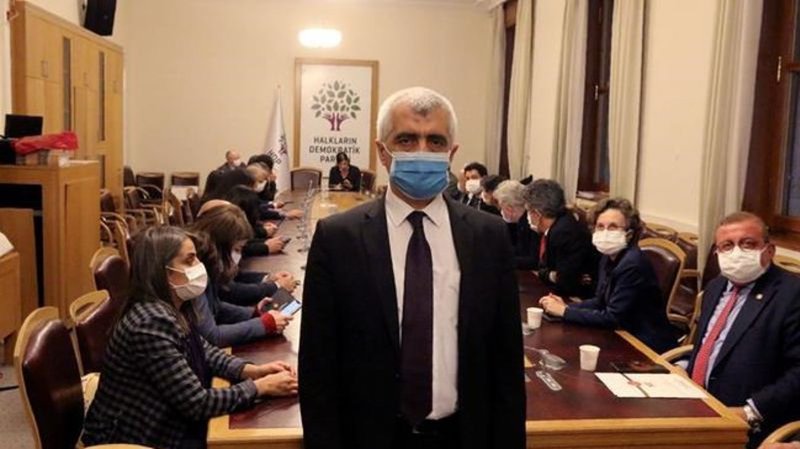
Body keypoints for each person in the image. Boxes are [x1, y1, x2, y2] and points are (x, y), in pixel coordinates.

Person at [299, 87, 525, 449]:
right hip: (369, 437)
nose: (422, 151)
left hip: (464, 435)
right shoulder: (338, 238)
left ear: (451, 153)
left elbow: (506, 360)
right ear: (382, 152)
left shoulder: (489, 236)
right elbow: (318, 366)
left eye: (435, 141)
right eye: (406, 139)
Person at [81, 226, 298, 449]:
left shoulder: (175, 305)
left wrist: (252, 370)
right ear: (162, 271)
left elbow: (204, 351)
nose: (199, 266)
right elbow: (197, 403)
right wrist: (259, 387)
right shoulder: (150, 323)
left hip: (168, 423)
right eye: (189, 260)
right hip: (143, 438)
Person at [686, 212, 800, 449]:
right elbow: (707, 345)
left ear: (769, 250)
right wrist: (681, 369)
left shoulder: (791, 295)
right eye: (727, 246)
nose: (736, 252)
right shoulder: (716, 287)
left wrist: (751, 410)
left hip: (749, 424)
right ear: (717, 253)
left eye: (748, 244)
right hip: (697, 407)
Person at [538, 198, 677, 353]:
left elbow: (613, 318)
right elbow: (600, 301)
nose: (605, 232)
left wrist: (565, 312)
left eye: (613, 227)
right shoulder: (608, 257)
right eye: (600, 226)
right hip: (620, 334)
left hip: (644, 344)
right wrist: (566, 306)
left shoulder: (632, 264)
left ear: (629, 234)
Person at [523, 179, 598, 299]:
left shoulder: (564, 233)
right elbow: (542, 268)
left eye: (528, 211)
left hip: (579, 298)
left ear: (537, 214)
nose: (528, 216)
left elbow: (565, 283)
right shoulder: (560, 221)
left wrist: (548, 274)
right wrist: (550, 274)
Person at [493, 180, 540, 269]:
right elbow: (519, 250)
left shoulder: (532, 223)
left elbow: (533, 261)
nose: (501, 212)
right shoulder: (520, 222)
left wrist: (501, 260)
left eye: (501, 208)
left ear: (509, 208)